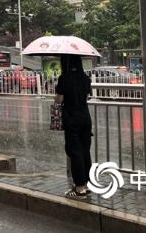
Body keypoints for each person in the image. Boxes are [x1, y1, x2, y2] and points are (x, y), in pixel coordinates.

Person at [54, 55, 93, 199]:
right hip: (85, 117)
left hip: (72, 118)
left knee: (74, 150)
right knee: (84, 150)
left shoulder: (64, 78)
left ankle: (80, 188)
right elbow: (86, 97)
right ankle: (86, 184)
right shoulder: (85, 78)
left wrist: (58, 94)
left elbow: (59, 99)